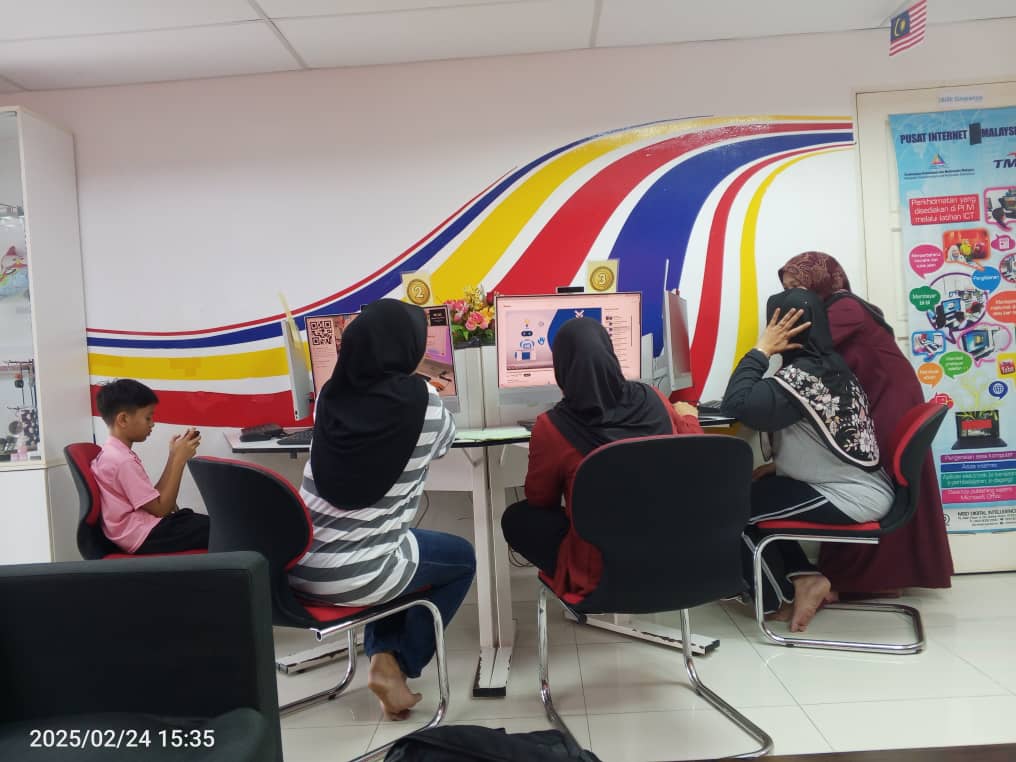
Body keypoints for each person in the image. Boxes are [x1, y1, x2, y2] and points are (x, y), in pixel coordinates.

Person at [288, 299, 475, 721]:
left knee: (399, 546)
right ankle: (396, 663)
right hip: (359, 575)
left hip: (296, 567)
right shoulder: (426, 403)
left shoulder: (328, 397)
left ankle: (382, 657)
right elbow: (444, 443)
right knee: (460, 559)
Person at [779, 251, 953, 596]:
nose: (793, 295)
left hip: (888, 396)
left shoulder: (844, 308)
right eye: (787, 289)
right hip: (879, 392)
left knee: (875, 479)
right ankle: (880, 578)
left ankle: (864, 581)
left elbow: (806, 352)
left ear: (820, 280)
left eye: (798, 286)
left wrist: (767, 347)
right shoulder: (833, 307)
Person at [721, 289, 893, 632]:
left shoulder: (802, 378)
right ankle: (804, 579)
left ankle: (777, 602)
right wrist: (781, 466)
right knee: (752, 495)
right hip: (859, 485)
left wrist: (761, 349)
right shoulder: (828, 365)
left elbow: (736, 405)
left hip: (850, 495)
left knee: (729, 511)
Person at [501, 317, 703, 601]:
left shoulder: (552, 426)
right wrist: (689, 417)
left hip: (600, 572)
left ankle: (573, 574)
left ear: (561, 367)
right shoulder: (655, 397)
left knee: (518, 517)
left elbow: (540, 499)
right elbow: (693, 452)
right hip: (669, 555)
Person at [92, 379, 209, 554]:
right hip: (143, 535)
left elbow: (155, 500)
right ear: (123, 419)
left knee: (197, 520)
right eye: (148, 417)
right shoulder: (122, 461)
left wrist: (173, 456)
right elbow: (162, 509)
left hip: (141, 530)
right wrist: (180, 461)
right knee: (219, 529)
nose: (152, 423)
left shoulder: (116, 454)